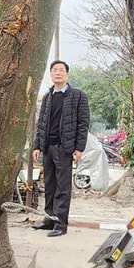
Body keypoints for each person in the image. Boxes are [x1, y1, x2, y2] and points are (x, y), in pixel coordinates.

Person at [30, 60, 90, 237]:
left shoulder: (78, 96)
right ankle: (49, 220)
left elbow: (83, 124)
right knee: (49, 184)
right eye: (54, 70)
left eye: (61, 70)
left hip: (65, 148)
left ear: (67, 74)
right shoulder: (48, 97)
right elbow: (41, 124)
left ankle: (60, 225)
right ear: (51, 74)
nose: (58, 73)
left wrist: (79, 148)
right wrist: (37, 146)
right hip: (48, 147)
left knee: (63, 187)